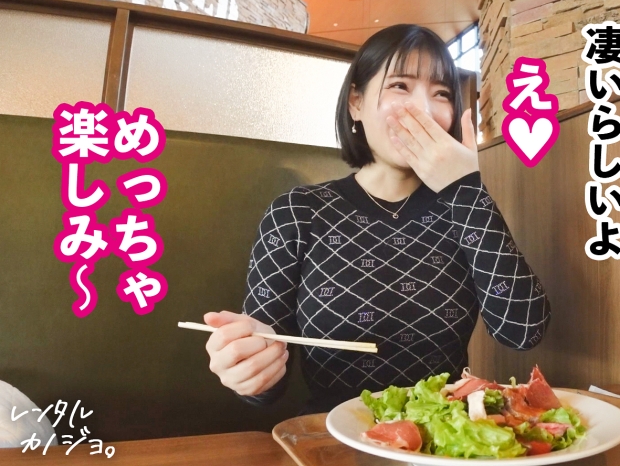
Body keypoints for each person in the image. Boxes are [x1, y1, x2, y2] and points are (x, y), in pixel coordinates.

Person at [203, 24, 551, 416]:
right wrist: (250, 365)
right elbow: (265, 387)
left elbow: (523, 331)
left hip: (441, 436)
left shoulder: (464, 208)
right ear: (356, 103)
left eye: (441, 93)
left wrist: (467, 189)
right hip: (331, 435)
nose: (424, 109)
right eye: (400, 85)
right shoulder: (298, 211)